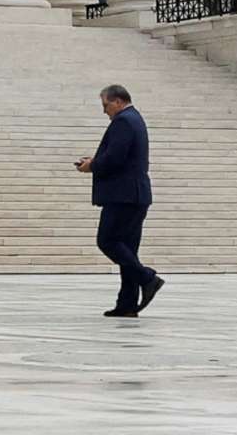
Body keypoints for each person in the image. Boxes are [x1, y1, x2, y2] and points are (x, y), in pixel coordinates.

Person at [77, 83, 161, 317]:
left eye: (106, 106)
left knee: (107, 240)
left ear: (117, 101)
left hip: (124, 195)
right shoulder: (135, 118)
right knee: (128, 249)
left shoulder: (124, 121)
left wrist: (92, 166)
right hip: (135, 194)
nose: (105, 111)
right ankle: (127, 304)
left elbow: (115, 158)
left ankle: (148, 278)